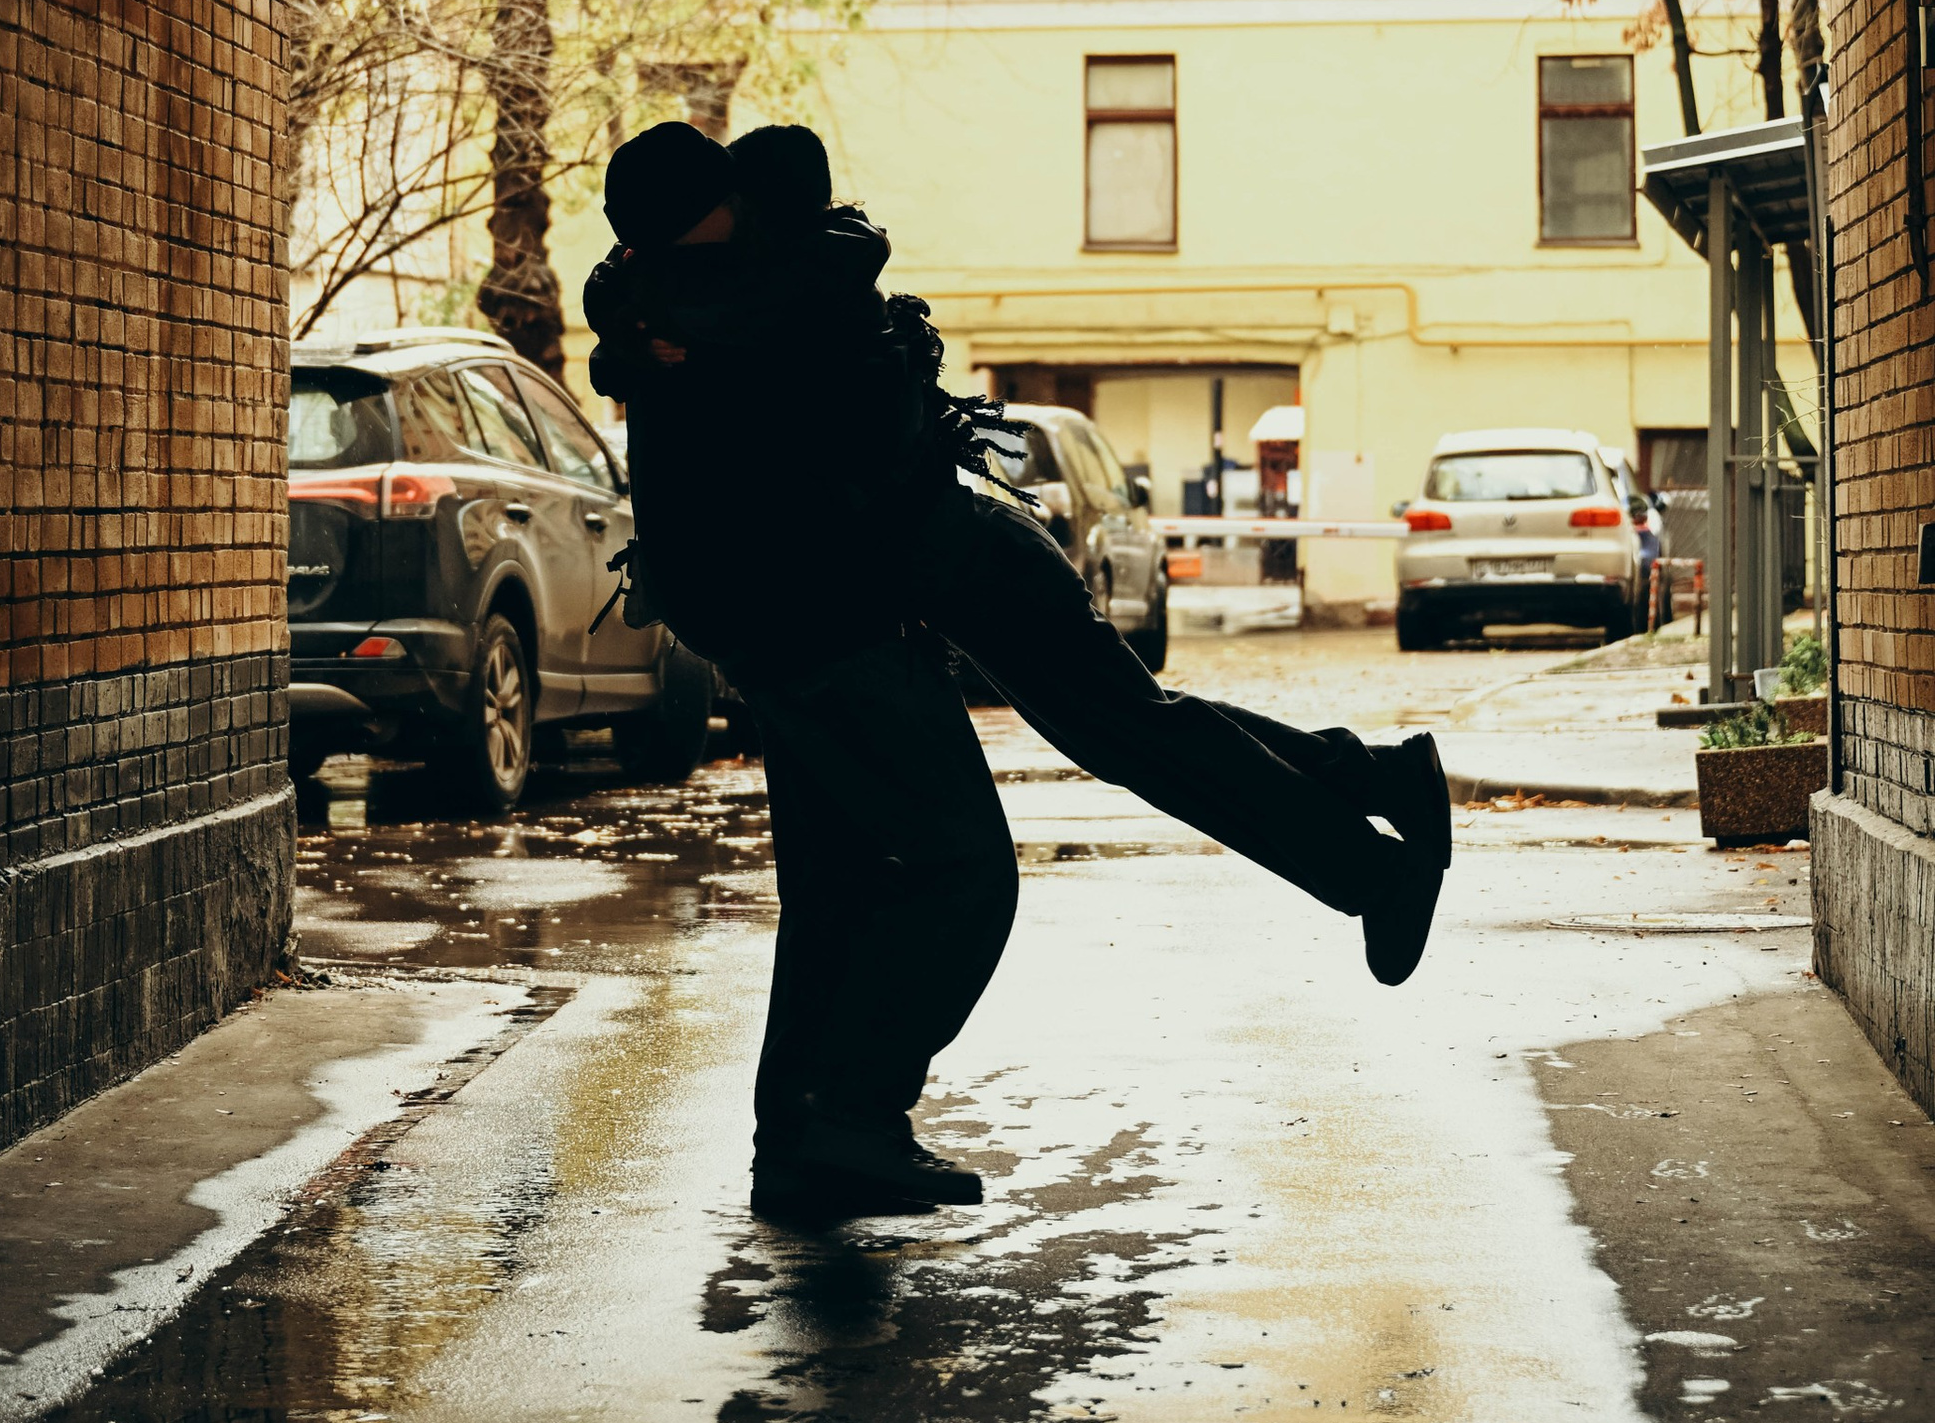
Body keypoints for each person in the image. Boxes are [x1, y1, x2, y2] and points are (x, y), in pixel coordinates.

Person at [588, 123, 1452, 1000]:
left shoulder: (781, 292)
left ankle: (1377, 865)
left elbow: (699, 313)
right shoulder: (726, 285)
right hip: (949, 563)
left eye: (671, 241)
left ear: (732, 209)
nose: (655, 259)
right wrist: (624, 325)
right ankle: (1377, 787)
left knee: (1139, 736)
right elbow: (631, 291)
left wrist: (630, 326)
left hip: (972, 562)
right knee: (1142, 728)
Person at [590, 122, 1016, 1221]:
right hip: (832, 625)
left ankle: (798, 1147)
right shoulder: (752, 292)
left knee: (829, 896)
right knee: (963, 867)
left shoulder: (653, 300)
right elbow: (837, 279)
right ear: (718, 209)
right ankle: (855, 1117)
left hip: (764, 634)